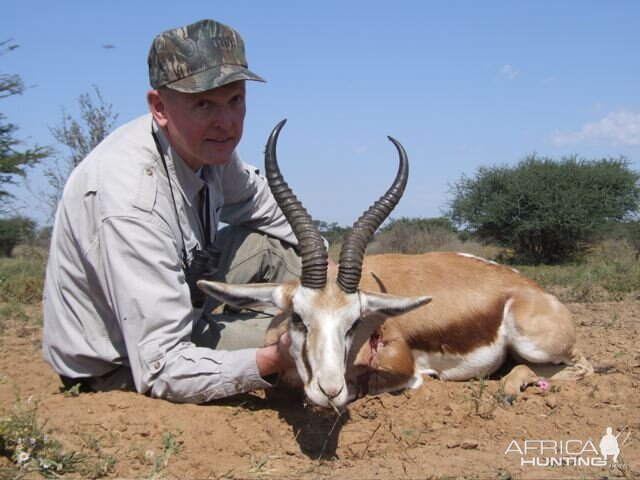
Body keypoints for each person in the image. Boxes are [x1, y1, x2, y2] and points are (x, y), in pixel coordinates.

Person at [42, 19, 303, 404]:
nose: (227, 124)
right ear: (160, 107)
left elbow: (261, 205)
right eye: (203, 104)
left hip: (184, 285)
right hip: (123, 363)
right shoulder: (131, 202)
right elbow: (162, 365)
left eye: (236, 100)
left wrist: (323, 264)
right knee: (313, 340)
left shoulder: (208, 146)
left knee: (279, 250)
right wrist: (273, 358)